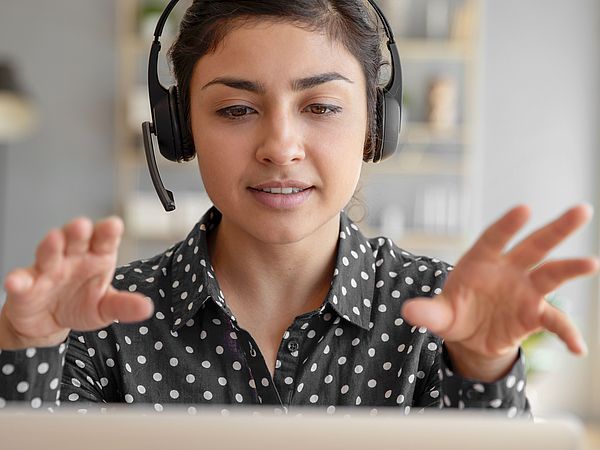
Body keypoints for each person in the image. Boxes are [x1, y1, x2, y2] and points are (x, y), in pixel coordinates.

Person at [0, 0, 597, 416]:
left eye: (322, 107)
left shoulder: (442, 318)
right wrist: (25, 354)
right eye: (236, 109)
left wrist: (484, 369)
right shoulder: (98, 324)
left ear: (376, 127)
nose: (280, 147)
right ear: (180, 131)